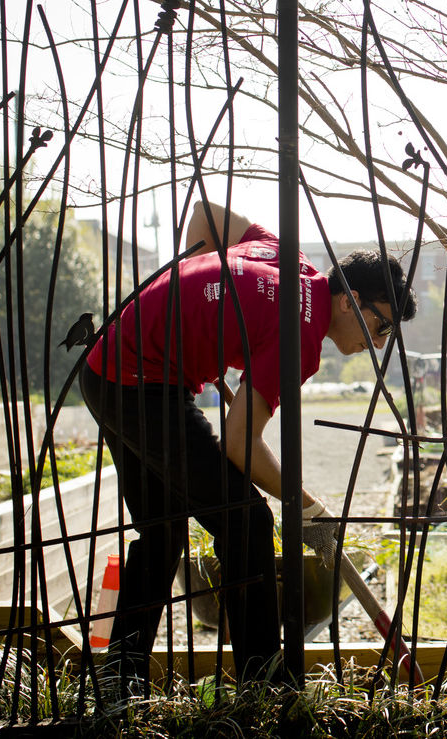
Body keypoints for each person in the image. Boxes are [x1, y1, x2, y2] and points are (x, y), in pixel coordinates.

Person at [80, 201, 416, 690]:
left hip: (108, 365)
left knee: (163, 531)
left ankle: (120, 678)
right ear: (350, 301)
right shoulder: (299, 336)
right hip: (140, 383)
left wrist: (192, 309)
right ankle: (264, 686)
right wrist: (307, 506)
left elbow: (203, 215)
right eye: (382, 326)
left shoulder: (290, 261)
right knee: (246, 520)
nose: (380, 343)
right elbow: (239, 444)